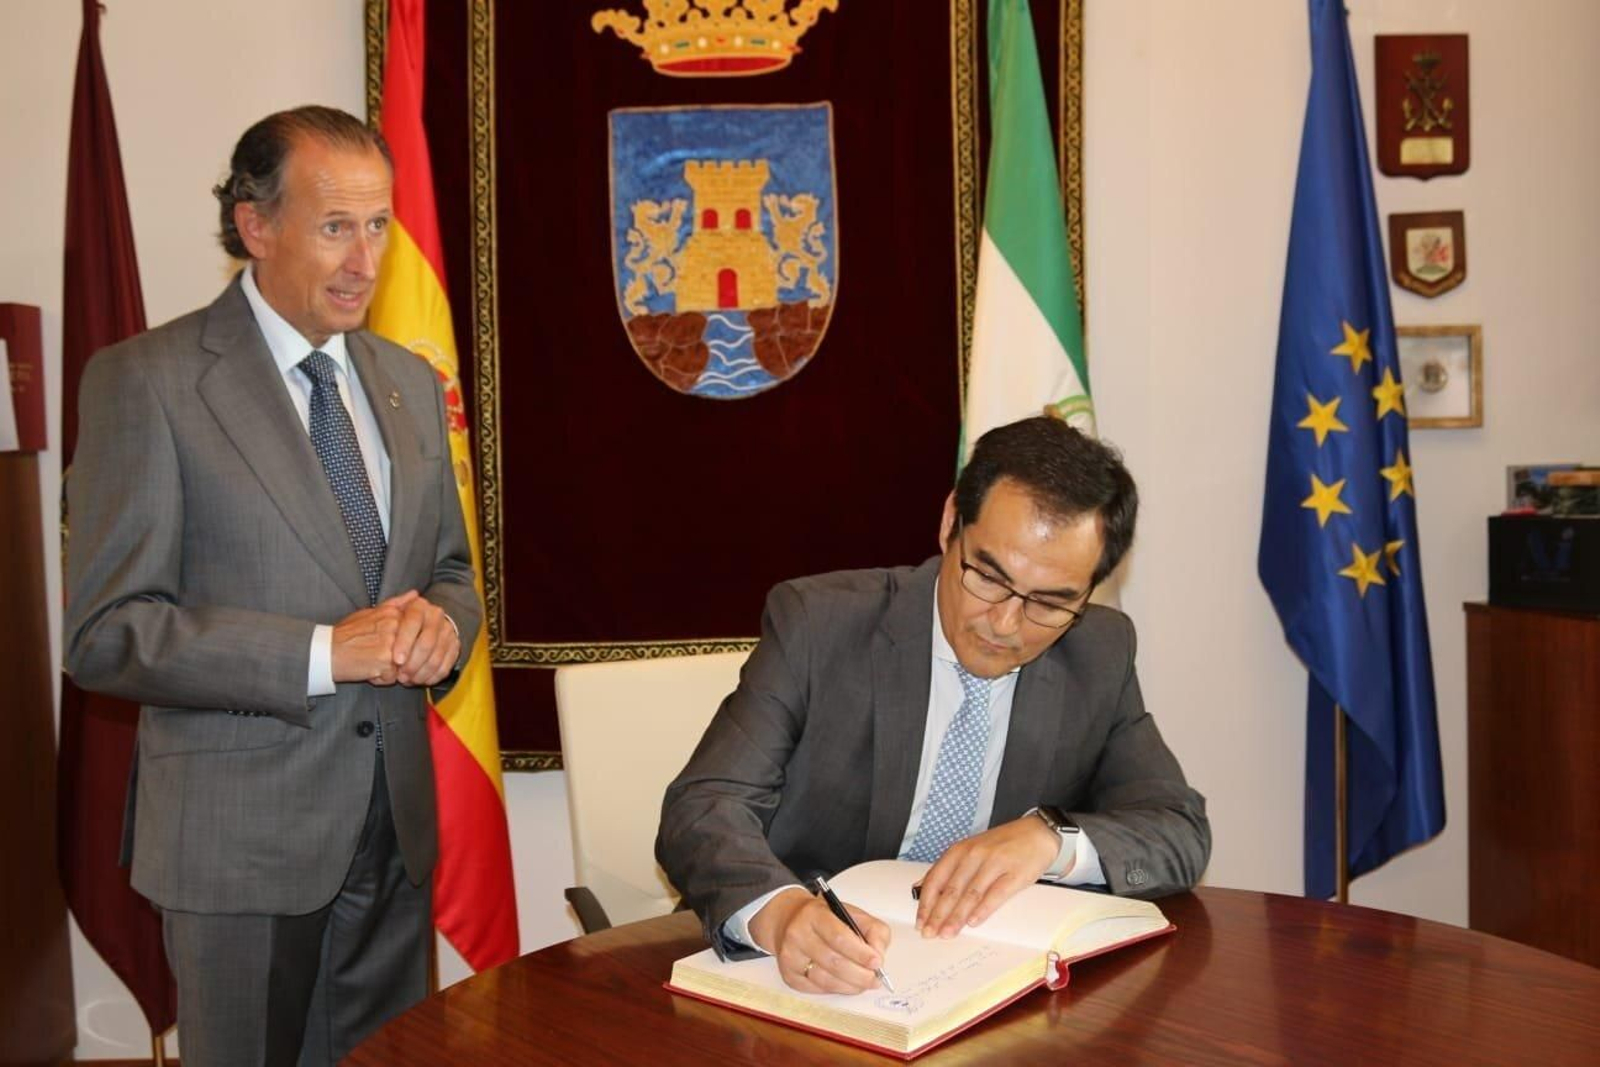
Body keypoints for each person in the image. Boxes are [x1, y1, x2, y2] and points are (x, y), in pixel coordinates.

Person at [64, 106, 480, 1066]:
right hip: (238, 847)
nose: (365, 261)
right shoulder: (148, 380)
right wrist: (326, 653)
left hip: (394, 834)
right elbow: (107, 632)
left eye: (378, 225)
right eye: (335, 227)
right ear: (254, 225)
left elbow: (450, 572)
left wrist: (443, 627)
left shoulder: (408, 381)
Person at [656, 416, 1209, 994]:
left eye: (1049, 604)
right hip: (793, 972)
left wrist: (1052, 840)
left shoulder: (1099, 651)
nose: (1005, 623)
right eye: (988, 577)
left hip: (968, 982)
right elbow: (703, 806)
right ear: (950, 524)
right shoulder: (820, 624)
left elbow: (1178, 830)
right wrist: (781, 914)